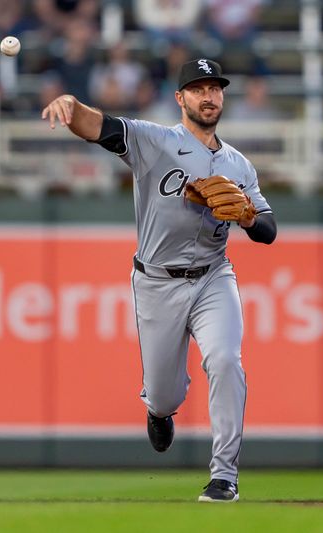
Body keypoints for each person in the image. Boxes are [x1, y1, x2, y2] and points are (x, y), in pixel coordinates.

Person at [41, 58, 277, 503]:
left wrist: (247, 214)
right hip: (157, 283)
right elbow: (102, 128)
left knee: (226, 361)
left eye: (216, 88)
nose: (209, 96)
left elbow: (268, 229)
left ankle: (224, 476)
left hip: (213, 277)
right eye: (199, 89)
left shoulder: (238, 164)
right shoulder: (155, 140)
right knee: (166, 396)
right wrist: (71, 107)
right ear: (180, 98)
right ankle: (158, 408)